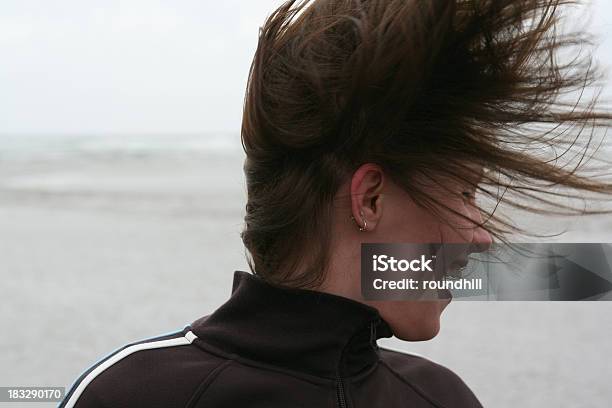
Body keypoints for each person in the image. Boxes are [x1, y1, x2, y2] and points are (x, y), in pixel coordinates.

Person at [59, 0, 612, 407]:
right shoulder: (134, 396)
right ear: (369, 196)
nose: (482, 236)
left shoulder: (442, 399)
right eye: (466, 191)